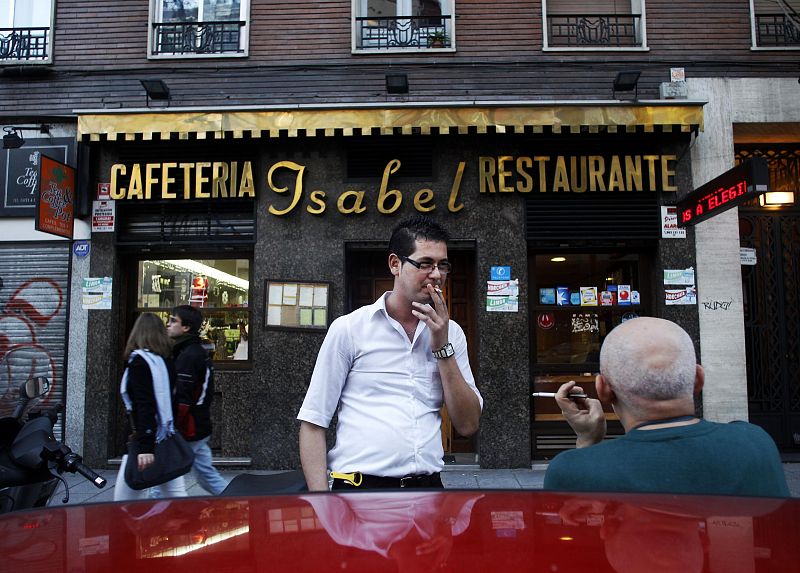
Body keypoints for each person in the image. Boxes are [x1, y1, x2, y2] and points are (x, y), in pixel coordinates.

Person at [297, 215, 483, 491]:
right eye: (425, 264)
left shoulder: (451, 333)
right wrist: (321, 504)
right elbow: (313, 422)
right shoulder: (349, 329)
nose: (436, 274)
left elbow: (467, 424)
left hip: (428, 489)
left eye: (443, 265)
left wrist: (442, 346)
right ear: (395, 264)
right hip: (360, 491)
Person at [544, 317, 789, 497]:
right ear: (698, 380)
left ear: (603, 389)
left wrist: (587, 441)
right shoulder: (756, 443)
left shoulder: (572, 470)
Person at [114, 313, 188, 501]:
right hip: (165, 434)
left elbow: (144, 404)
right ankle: (184, 525)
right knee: (175, 494)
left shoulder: (139, 362)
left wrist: (146, 446)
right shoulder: (166, 362)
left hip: (144, 437)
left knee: (124, 501)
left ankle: (129, 529)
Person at [167, 305, 228, 495]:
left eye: (173, 320)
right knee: (205, 474)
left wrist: (173, 425)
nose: (168, 324)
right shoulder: (191, 351)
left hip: (189, 427)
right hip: (196, 425)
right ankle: (237, 499)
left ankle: (163, 512)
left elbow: (183, 396)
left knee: (166, 475)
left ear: (186, 327)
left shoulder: (188, 355)